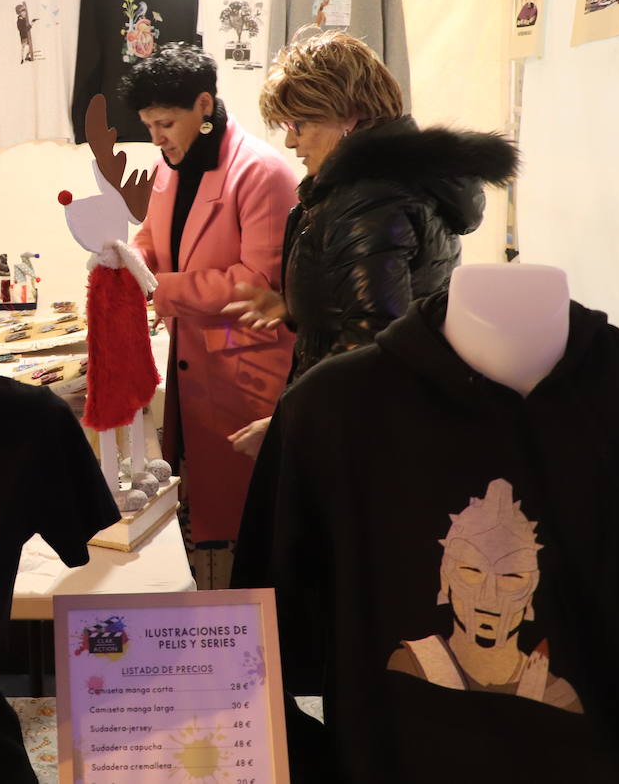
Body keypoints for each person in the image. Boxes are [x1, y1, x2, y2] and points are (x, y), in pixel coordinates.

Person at [222, 31, 517, 457]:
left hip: (366, 433)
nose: (291, 141)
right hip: (389, 416)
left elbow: (376, 339)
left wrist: (290, 422)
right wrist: (297, 307)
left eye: (298, 124)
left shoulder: (369, 197)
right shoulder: (390, 184)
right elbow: (381, 303)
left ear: (348, 115)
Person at [121, 42, 298, 585]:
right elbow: (154, 237)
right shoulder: (168, 165)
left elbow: (258, 281)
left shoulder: (262, 171)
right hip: (194, 356)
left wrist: (157, 288)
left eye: (165, 123)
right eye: (148, 124)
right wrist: (129, 263)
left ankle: (247, 624)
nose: (156, 137)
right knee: (198, 500)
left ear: (204, 105)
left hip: (246, 366)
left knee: (249, 516)